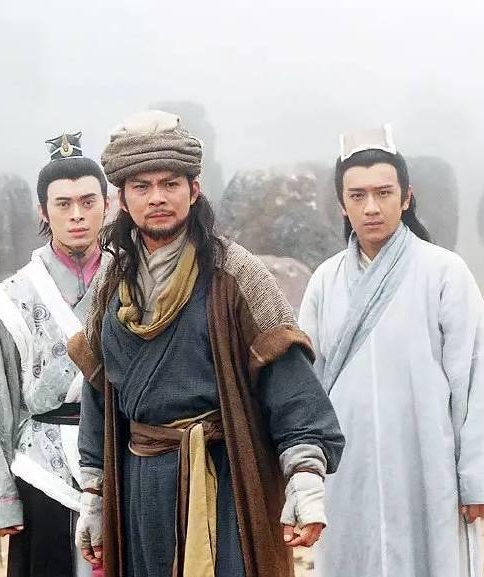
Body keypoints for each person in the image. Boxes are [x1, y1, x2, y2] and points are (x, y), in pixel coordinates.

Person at [69, 110, 344, 577]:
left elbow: (289, 384)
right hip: (138, 485)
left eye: (170, 184)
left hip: (224, 479)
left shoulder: (237, 274)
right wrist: (93, 493)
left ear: (194, 190)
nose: (158, 197)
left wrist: (304, 475)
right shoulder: (110, 283)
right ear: (122, 199)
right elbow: (100, 392)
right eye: (142, 186)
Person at [299, 125, 484, 577]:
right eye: (357, 195)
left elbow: (479, 375)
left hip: (428, 462)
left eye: (383, 193)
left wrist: (478, 476)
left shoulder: (443, 272)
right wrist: (305, 477)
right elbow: (305, 387)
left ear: (406, 197)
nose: (371, 207)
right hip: (348, 467)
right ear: (341, 204)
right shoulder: (324, 281)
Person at [0, 132, 110, 577]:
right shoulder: (14, 298)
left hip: (120, 457)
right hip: (43, 469)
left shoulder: (131, 281)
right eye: (63, 204)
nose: (76, 214)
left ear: (108, 205)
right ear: (43, 212)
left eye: (87, 201)